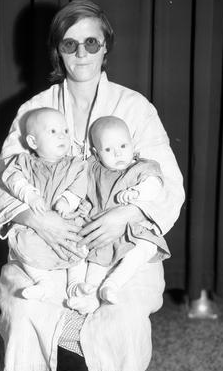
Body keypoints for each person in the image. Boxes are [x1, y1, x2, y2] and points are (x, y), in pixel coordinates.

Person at [0, 0, 185, 371]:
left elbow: (168, 180)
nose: (81, 53)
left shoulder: (136, 108)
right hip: (49, 257)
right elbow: (3, 178)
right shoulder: (35, 109)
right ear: (57, 50)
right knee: (25, 310)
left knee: (121, 319)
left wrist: (124, 215)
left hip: (113, 255)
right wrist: (39, 220)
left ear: (106, 47)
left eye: (91, 42)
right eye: (69, 43)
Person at [66, 115, 171, 314]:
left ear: (132, 143)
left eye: (123, 146)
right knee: (90, 258)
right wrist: (83, 205)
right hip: (100, 227)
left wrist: (137, 192)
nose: (118, 154)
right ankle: (88, 294)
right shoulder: (92, 169)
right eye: (108, 150)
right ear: (96, 153)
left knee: (146, 246)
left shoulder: (141, 167)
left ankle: (113, 283)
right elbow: (81, 190)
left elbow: (155, 184)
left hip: (130, 227)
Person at [0, 107, 88, 301]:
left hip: (67, 220)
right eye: (53, 132)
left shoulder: (75, 164)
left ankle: (76, 285)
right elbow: (12, 178)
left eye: (65, 131)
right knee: (24, 245)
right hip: (35, 225)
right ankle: (42, 282)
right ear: (33, 141)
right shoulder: (23, 162)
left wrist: (68, 199)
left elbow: (81, 184)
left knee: (78, 246)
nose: (62, 137)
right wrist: (30, 195)